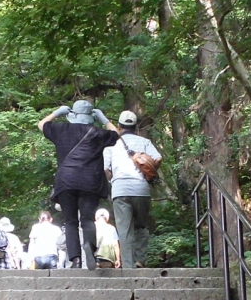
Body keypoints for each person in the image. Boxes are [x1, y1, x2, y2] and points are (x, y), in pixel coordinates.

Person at [39, 99, 119, 268]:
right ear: (91, 116)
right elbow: (116, 134)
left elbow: (42, 124)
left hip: (66, 181)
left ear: (72, 115)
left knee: (70, 222)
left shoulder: (61, 129)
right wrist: (103, 119)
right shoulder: (97, 133)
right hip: (90, 182)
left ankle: (75, 260)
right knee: (88, 220)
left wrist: (57, 113)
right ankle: (89, 246)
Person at [104, 110, 161, 269]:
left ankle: (128, 267)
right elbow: (158, 158)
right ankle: (140, 260)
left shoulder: (111, 145)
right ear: (136, 127)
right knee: (141, 226)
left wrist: (112, 179)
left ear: (119, 126)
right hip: (141, 189)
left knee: (124, 230)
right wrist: (149, 172)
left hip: (120, 191)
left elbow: (106, 169)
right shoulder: (145, 142)